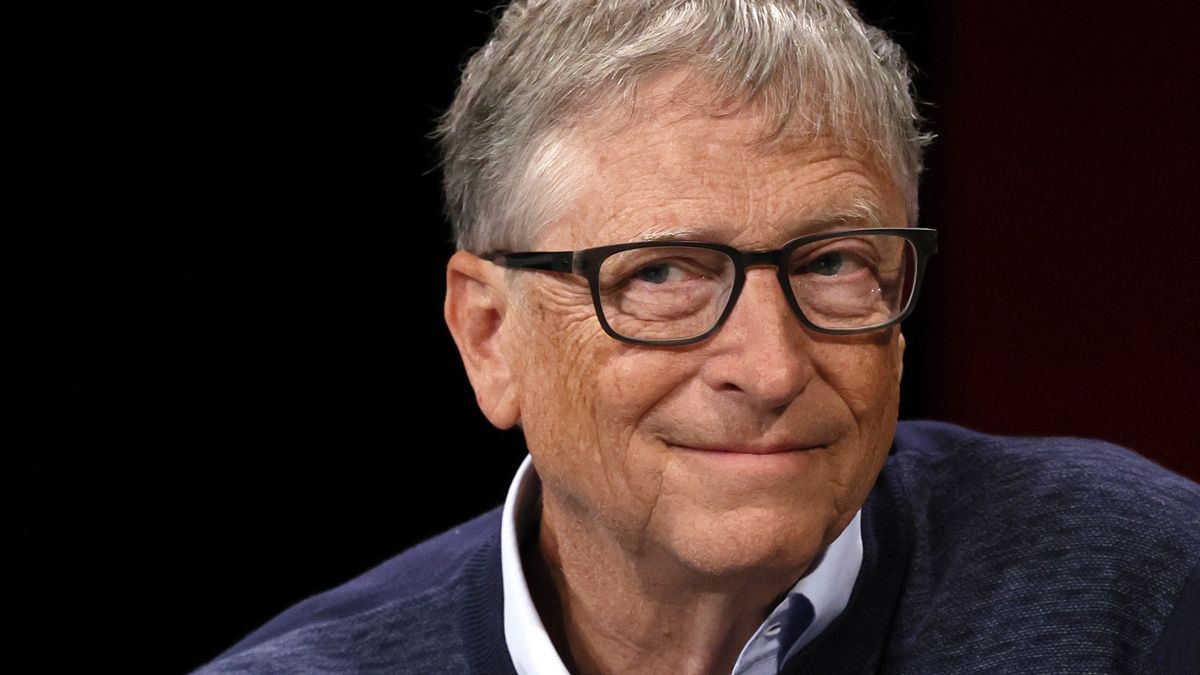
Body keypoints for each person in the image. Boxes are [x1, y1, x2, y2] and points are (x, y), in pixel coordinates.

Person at [198, 1, 1200, 673]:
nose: (769, 369)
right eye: (663, 275)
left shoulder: (1149, 586)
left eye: (833, 263)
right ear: (490, 337)